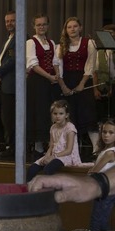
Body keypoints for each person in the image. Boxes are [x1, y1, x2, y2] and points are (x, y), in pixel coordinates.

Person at [57, 17, 98, 155]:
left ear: (80, 28)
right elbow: (59, 68)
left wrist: (82, 83)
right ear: (66, 30)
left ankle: (96, 149)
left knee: (88, 113)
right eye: (69, 27)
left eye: (75, 26)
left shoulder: (89, 43)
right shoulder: (61, 46)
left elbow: (90, 65)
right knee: (70, 115)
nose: (72, 29)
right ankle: (71, 150)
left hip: (84, 80)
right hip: (67, 80)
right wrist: (63, 86)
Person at [26, 14, 60, 158]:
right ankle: (38, 148)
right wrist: (50, 76)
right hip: (37, 83)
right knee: (38, 112)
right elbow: (33, 65)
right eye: (38, 25)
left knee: (50, 112)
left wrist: (56, 76)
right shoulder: (30, 42)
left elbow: (55, 61)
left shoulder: (51, 42)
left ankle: (50, 146)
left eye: (44, 24)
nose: (41, 27)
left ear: (48, 25)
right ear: (34, 26)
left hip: (50, 82)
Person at [26, 100, 82, 182]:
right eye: (55, 114)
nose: (57, 116)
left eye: (61, 114)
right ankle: (29, 191)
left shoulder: (70, 128)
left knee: (48, 169)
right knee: (32, 168)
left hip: (66, 156)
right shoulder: (53, 127)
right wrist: (47, 156)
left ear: (66, 115)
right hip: (54, 155)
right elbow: (51, 145)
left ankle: (46, 191)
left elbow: (69, 150)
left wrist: (53, 157)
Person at [0, 10, 17, 156]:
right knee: (6, 118)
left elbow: (13, 61)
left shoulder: (20, 38)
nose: (9, 23)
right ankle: (11, 146)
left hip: (13, 85)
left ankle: (14, 148)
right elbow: (3, 60)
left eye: (12, 20)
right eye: (7, 21)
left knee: (11, 118)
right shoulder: (9, 39)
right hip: (6, 84)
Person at [88, 120, 115, 231]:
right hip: (105, 189)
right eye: (104, 132)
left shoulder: (109, 153)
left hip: (105, 190)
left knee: (97, 221)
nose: (106, 135)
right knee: (101, 220)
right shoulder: (106, 151)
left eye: (111, 132)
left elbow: (94, 171)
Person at [94, 24, 115, 123]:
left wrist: (112, 87)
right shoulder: (99, 51)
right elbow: (95, 72)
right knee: (100, 116)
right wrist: (95, 89)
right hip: (101, 87)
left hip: (113, 87)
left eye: (110, 33)